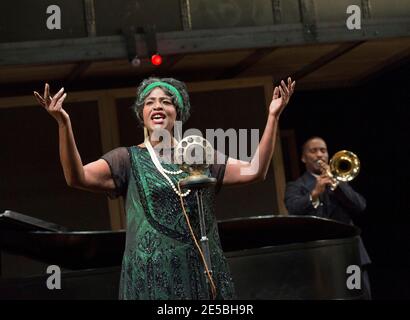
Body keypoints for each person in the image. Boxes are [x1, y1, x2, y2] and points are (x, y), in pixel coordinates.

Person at [33, 77, 295, 300]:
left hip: (202, 271)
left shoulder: (199, 156)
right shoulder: (126, 159)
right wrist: (63, 124)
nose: (157, 105)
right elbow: (76, 177)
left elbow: (256, 170)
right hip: (151, 278)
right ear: (142, 114)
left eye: (166, 101)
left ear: (177, 112)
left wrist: (273, 116)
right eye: (149, 102)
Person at [284, 136, 371, 299]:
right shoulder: (295, 186)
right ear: (303, 158)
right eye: (313, 151)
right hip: (320, 259)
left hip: (350, 256)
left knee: (359, 296)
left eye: (323, 150)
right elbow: (293, 209)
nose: (319, 155)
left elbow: (360, 206)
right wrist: (314, 193)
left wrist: (337, 186)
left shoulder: (339, 180)